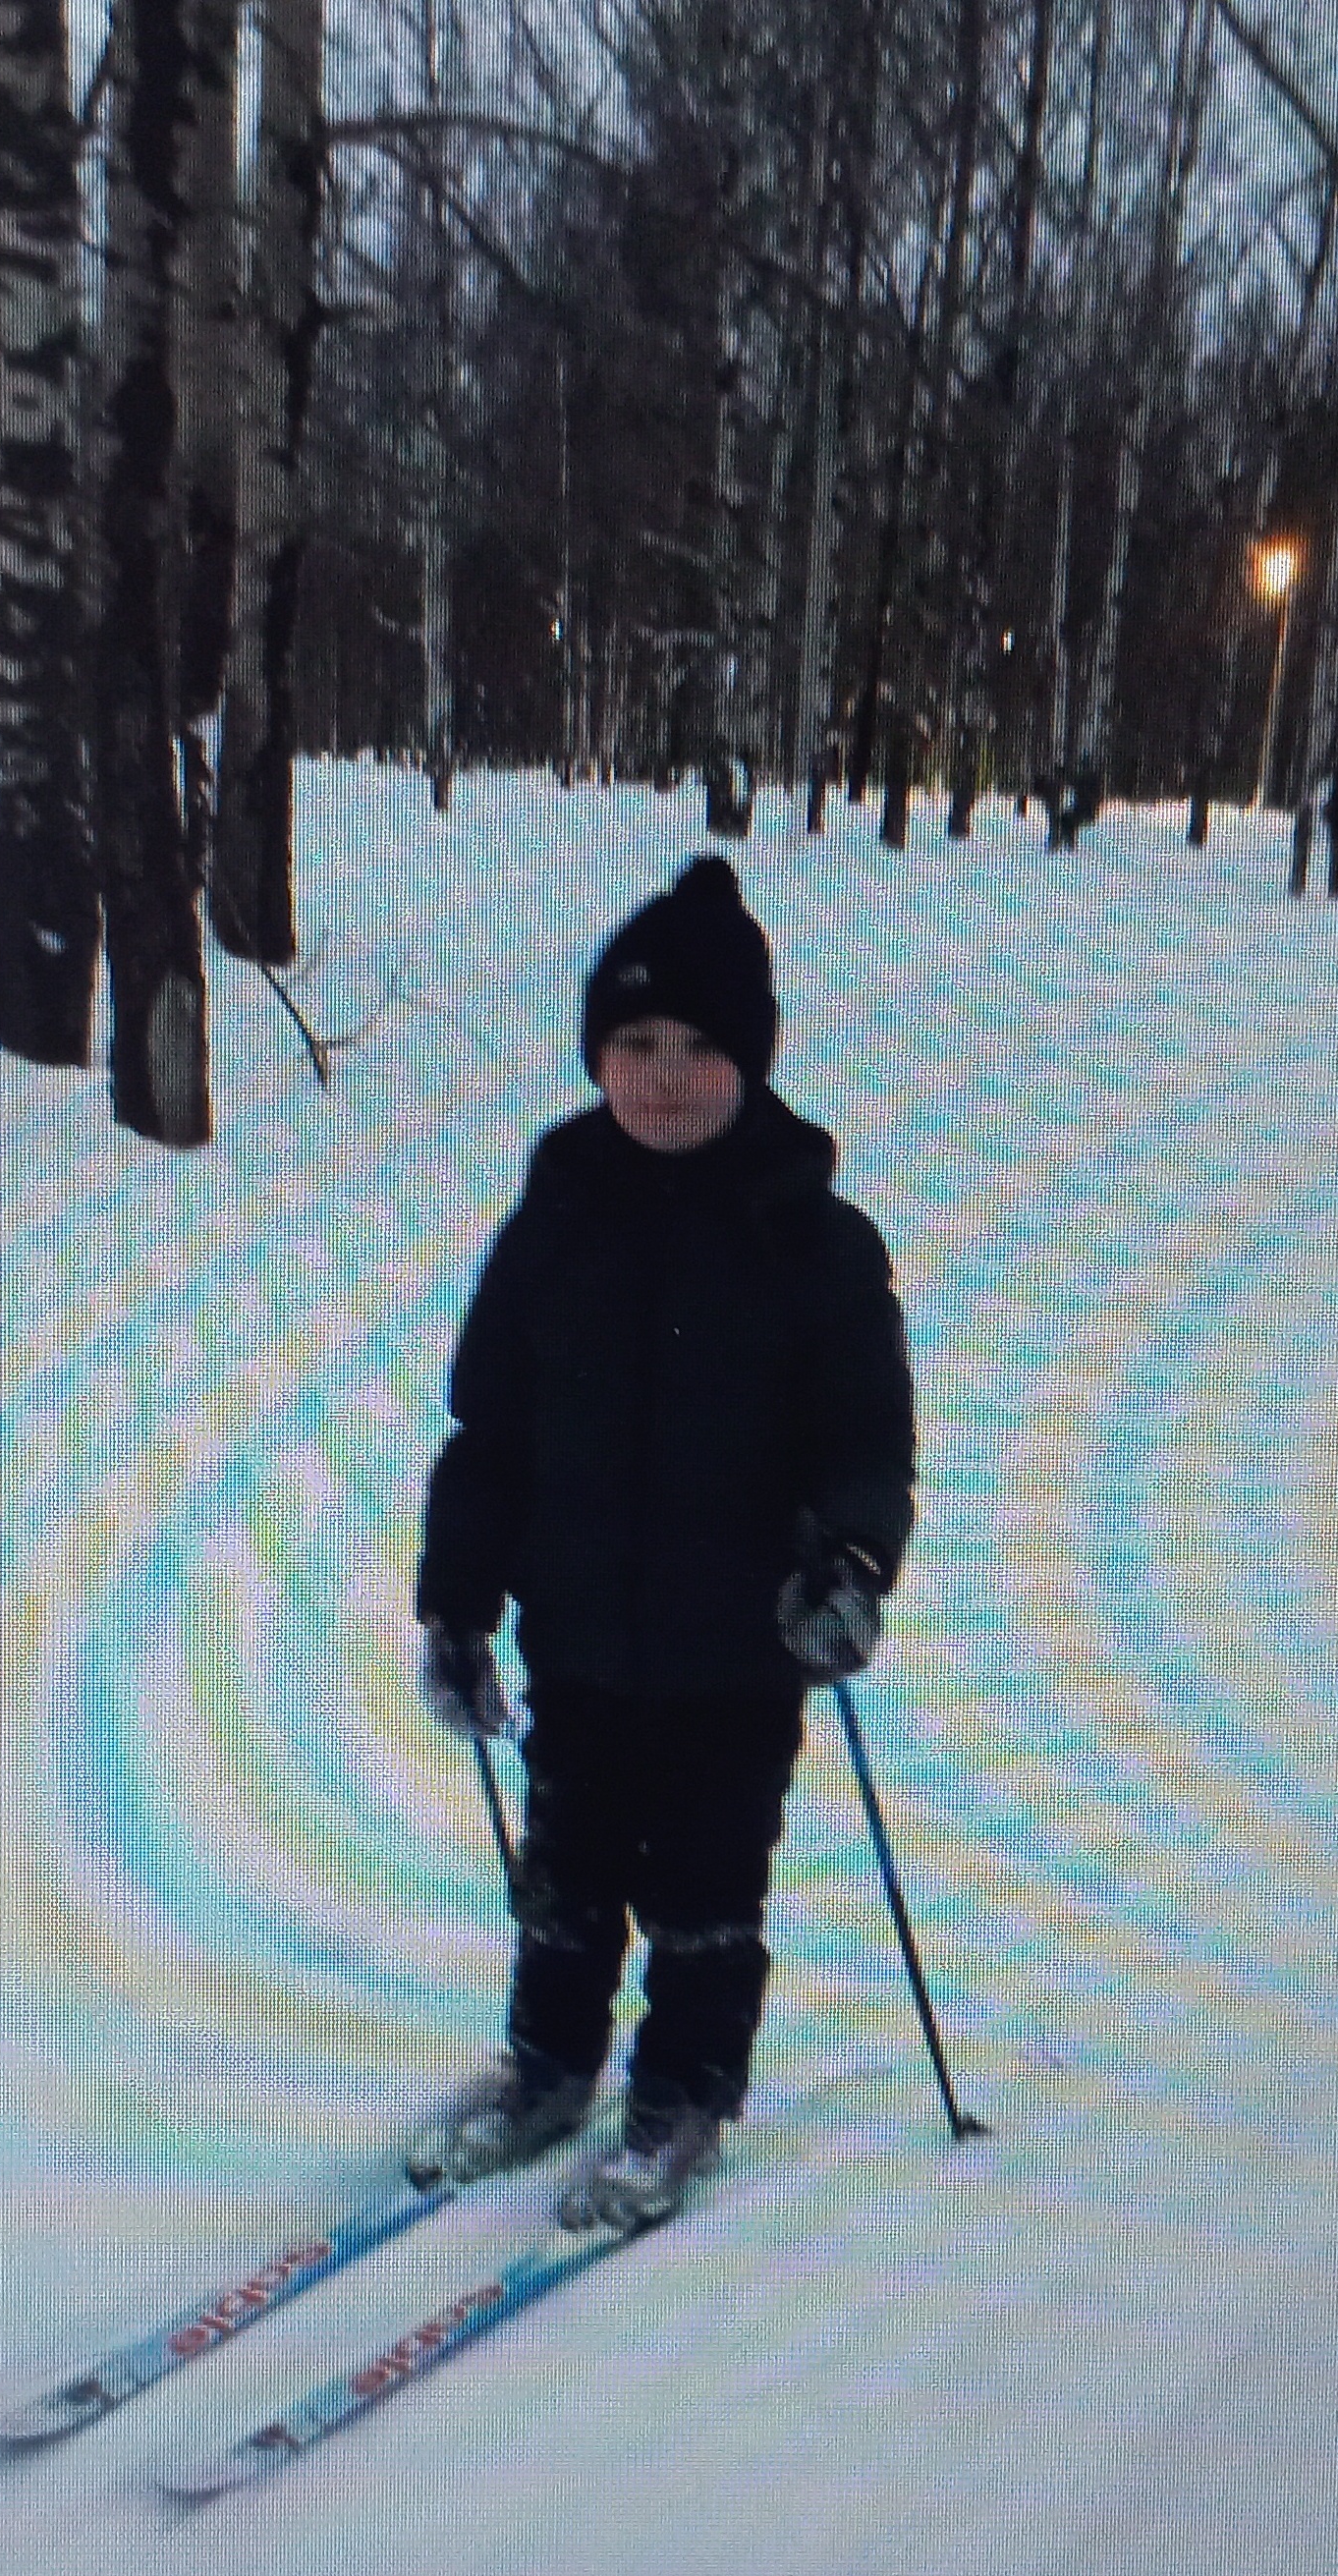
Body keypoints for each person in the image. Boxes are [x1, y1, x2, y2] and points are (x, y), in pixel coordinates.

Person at [412, 854, 917, 2231]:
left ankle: (683, 2091)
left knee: (703, 1890)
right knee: (564, 1877)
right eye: (633, 1043)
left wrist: (851, 1566)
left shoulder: (813, 1242)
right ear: (596, 1053)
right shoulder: (554, 1221)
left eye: (699, 1046)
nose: (664, 1074)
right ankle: (549, 2065)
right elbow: (488, 1435)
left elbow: (865, 1442)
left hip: (736, 1655)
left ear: (748, 1060)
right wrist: (456, 1606)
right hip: (577, 1637)